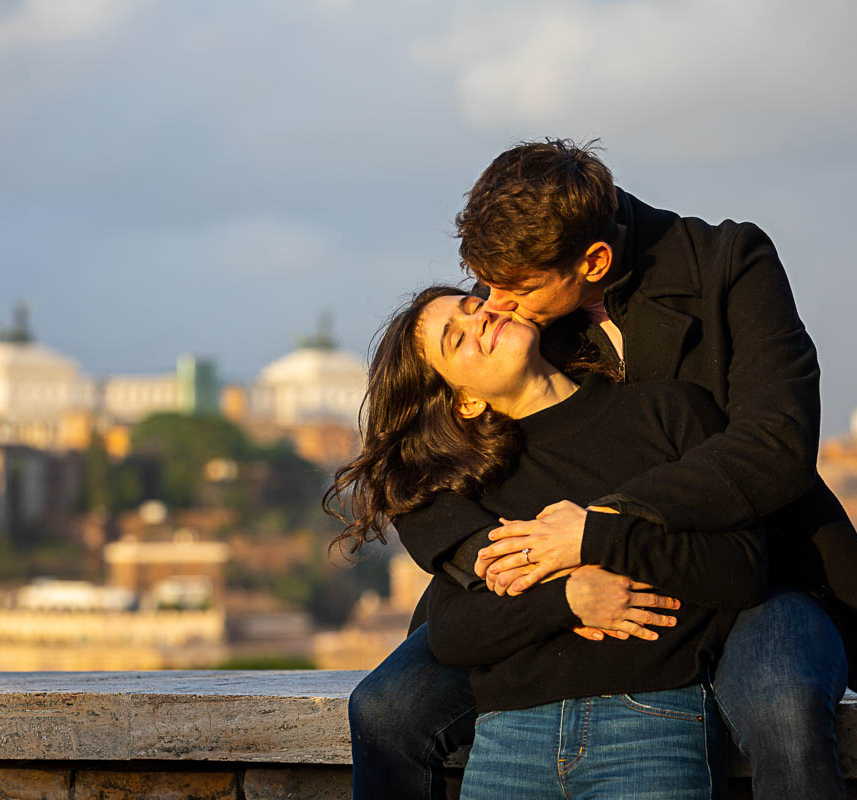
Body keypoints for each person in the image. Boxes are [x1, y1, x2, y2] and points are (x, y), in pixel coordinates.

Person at [347, 140, 857, 800]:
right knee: (385, 710)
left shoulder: (730, 264)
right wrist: (512, 559)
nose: (495, 306)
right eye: (485, 285)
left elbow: (776, 444)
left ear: (592, 261)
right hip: (542, 581)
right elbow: (422, 449)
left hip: (747, 562)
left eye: (514, 290)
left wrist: (601, 527)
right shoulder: (515, 295)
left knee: (781, 704)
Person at [329, 285, 771, 798]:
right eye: (457, 339)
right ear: (466, 402)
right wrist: (569, 599)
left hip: (650, 723)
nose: (480, 321)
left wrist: (596, 539)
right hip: (511, 737)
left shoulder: (670, 411)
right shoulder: (477, 482)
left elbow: (741, 568)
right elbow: (452, 633)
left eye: (473, 307)